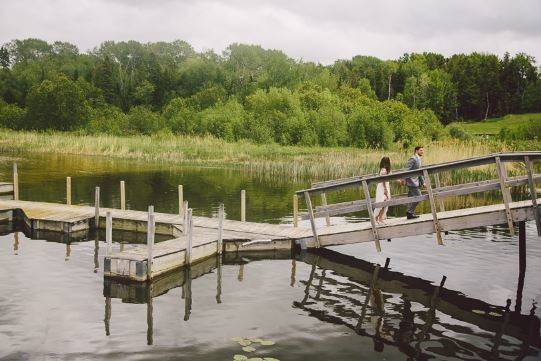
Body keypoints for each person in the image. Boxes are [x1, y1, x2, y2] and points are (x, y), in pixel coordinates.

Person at [404, 146, 424, 219]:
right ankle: (409, 212)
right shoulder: (413, 158)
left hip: (416, 181)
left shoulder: (419, 159)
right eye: (421, 150)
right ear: (416, 151)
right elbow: (407, 170)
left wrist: (423, 182)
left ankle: (410, 214)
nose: (422, 152)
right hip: (411, 182)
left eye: (422, 150)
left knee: (411, 198)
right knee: (419, 197)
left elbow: (419, 171)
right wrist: (404, 180)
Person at [374, 157, 391, 224]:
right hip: (382, 187)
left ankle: (380, 218)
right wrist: (385, 190)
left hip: (385, 186)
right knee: (382, 202)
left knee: (385, 202)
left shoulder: (386, 169)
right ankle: (376, 218)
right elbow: (383, 180)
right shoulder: (383, 169)